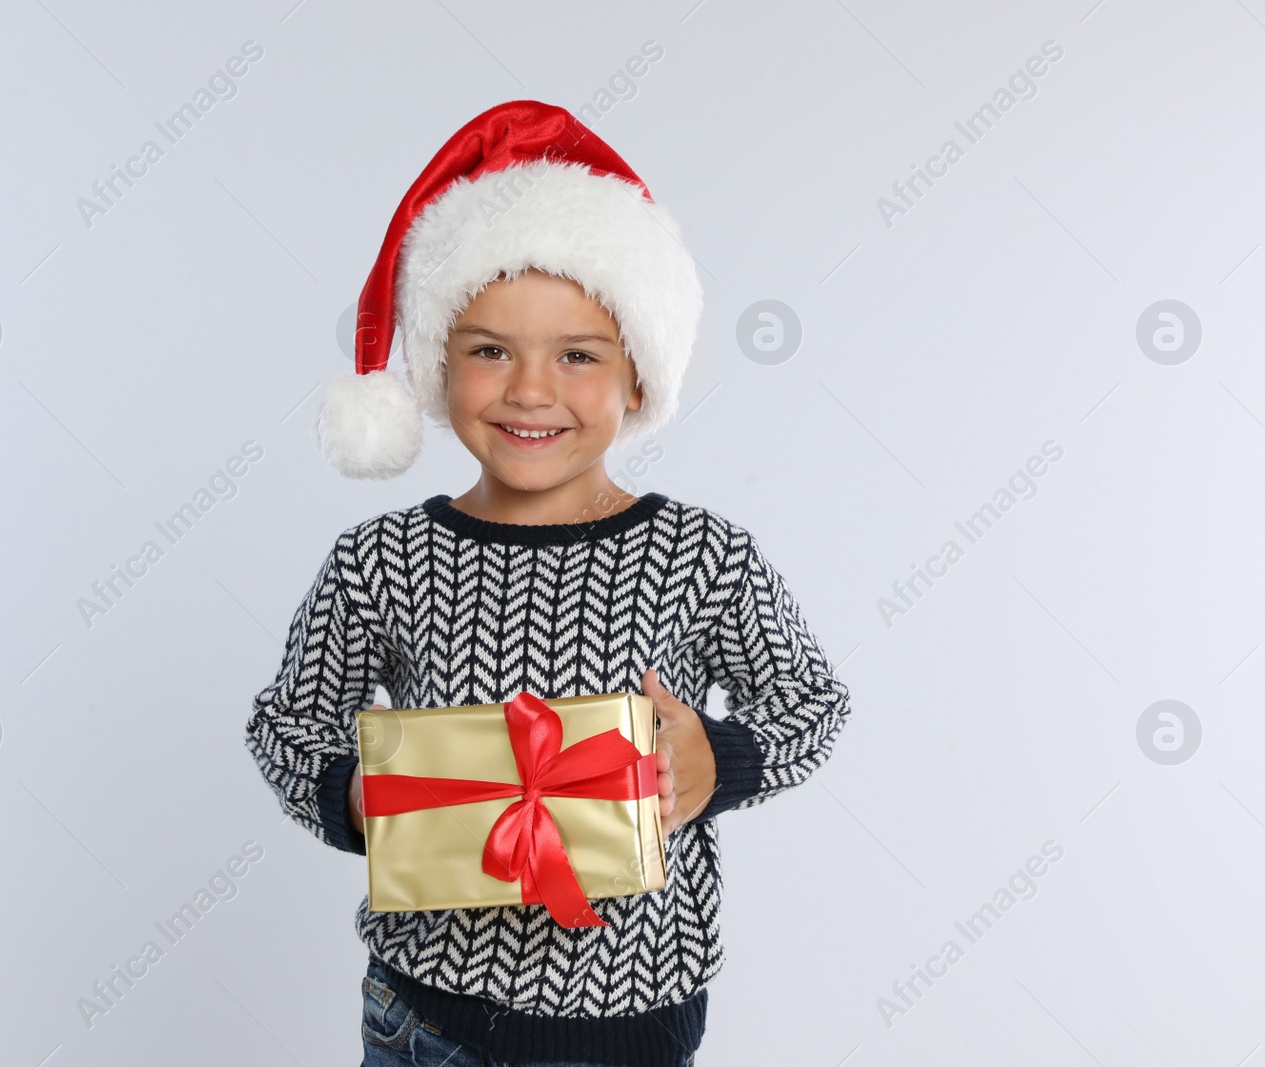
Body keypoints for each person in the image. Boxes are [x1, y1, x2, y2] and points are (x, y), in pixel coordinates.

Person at [245, 100, 852, 1067]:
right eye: (490, 349)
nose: (531, 390)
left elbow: (809, 702)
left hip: (627, 1030)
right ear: (438, 368)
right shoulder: (379, 561)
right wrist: (355, 796)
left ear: (638, 379)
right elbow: (288, 725)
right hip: (424, 1018)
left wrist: (720, 761)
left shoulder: (702, 554)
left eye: (578, 355)